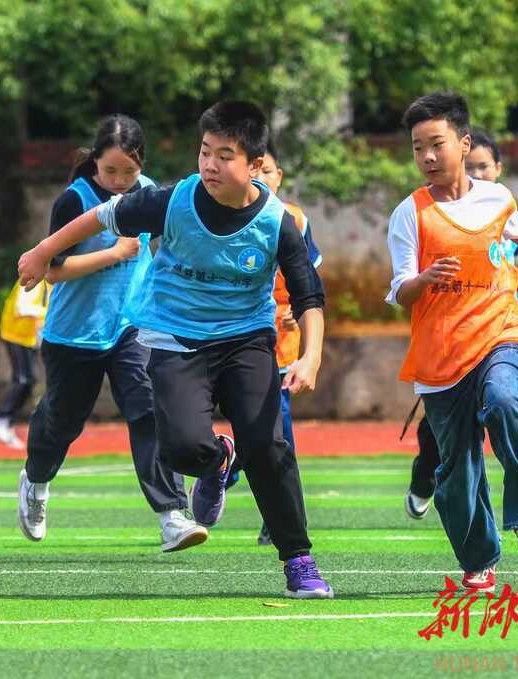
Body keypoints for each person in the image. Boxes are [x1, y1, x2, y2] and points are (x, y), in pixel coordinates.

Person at [18, 101, 333, 599]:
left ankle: (298, 559)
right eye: (205, 152)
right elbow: (100, 216)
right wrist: (41, 251)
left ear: (255, 165)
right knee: (181, 447)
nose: (210, 164)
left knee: (268, 447)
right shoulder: (173, 201)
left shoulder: (277, 222)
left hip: (246, 339)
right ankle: (216, 460)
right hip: (176, 338)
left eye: (224, 156)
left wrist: (310, 357)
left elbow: (309, 295)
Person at [385, 93, 518, 592]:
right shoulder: (409, 214)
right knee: (457, 472)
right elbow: (400, 290)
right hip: (442, 355)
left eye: (436, 144)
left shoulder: (497, 197)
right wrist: (425, 278)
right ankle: (478, 559)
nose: (427, 156)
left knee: (506, 400)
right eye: (418, 147)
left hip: (501, 332)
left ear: (463, 142)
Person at [15, 114, 208, 555]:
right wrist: (115, 253)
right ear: (95, 162)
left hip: (133, 327)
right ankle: (36, 480)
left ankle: (172, 515)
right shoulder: (75, 199)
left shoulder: (150, 194)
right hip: (75, 334)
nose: (121, 181)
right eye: (111, 171)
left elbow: (169, 248)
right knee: (62, 422)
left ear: (143, 165)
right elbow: (54, 271)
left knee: (149, 411)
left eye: (130, 172)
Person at [404, 129, 518, 526]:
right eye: (470, 168)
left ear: (497, 168)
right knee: (442, 432)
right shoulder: (427, 214)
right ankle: (427, 477)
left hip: (503, 333)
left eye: (483, 167)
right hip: (452, 341)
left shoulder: (500, 206)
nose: (476, 173)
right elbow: (406, 284)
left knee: (511, 404)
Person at [247, 142, 323, 547]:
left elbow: (309, 280)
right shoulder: (225, 215)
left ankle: (280, 516)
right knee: (252, 427)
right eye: (255, 170)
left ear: (279, 176)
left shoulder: (295, 218)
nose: (261, 178)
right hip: (236, 337)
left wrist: (297, 306)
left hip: (281, 345)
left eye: (268, 171)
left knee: (278, 427)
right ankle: (226, 470)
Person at [0, 278, 51, 449]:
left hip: (28, 338)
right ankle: (1, 418)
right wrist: (47, 314)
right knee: (24, 380)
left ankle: (3, 419)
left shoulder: (50, 283)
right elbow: (23, 307)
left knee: (28, 381)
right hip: (16, 335)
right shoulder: (35, 277)